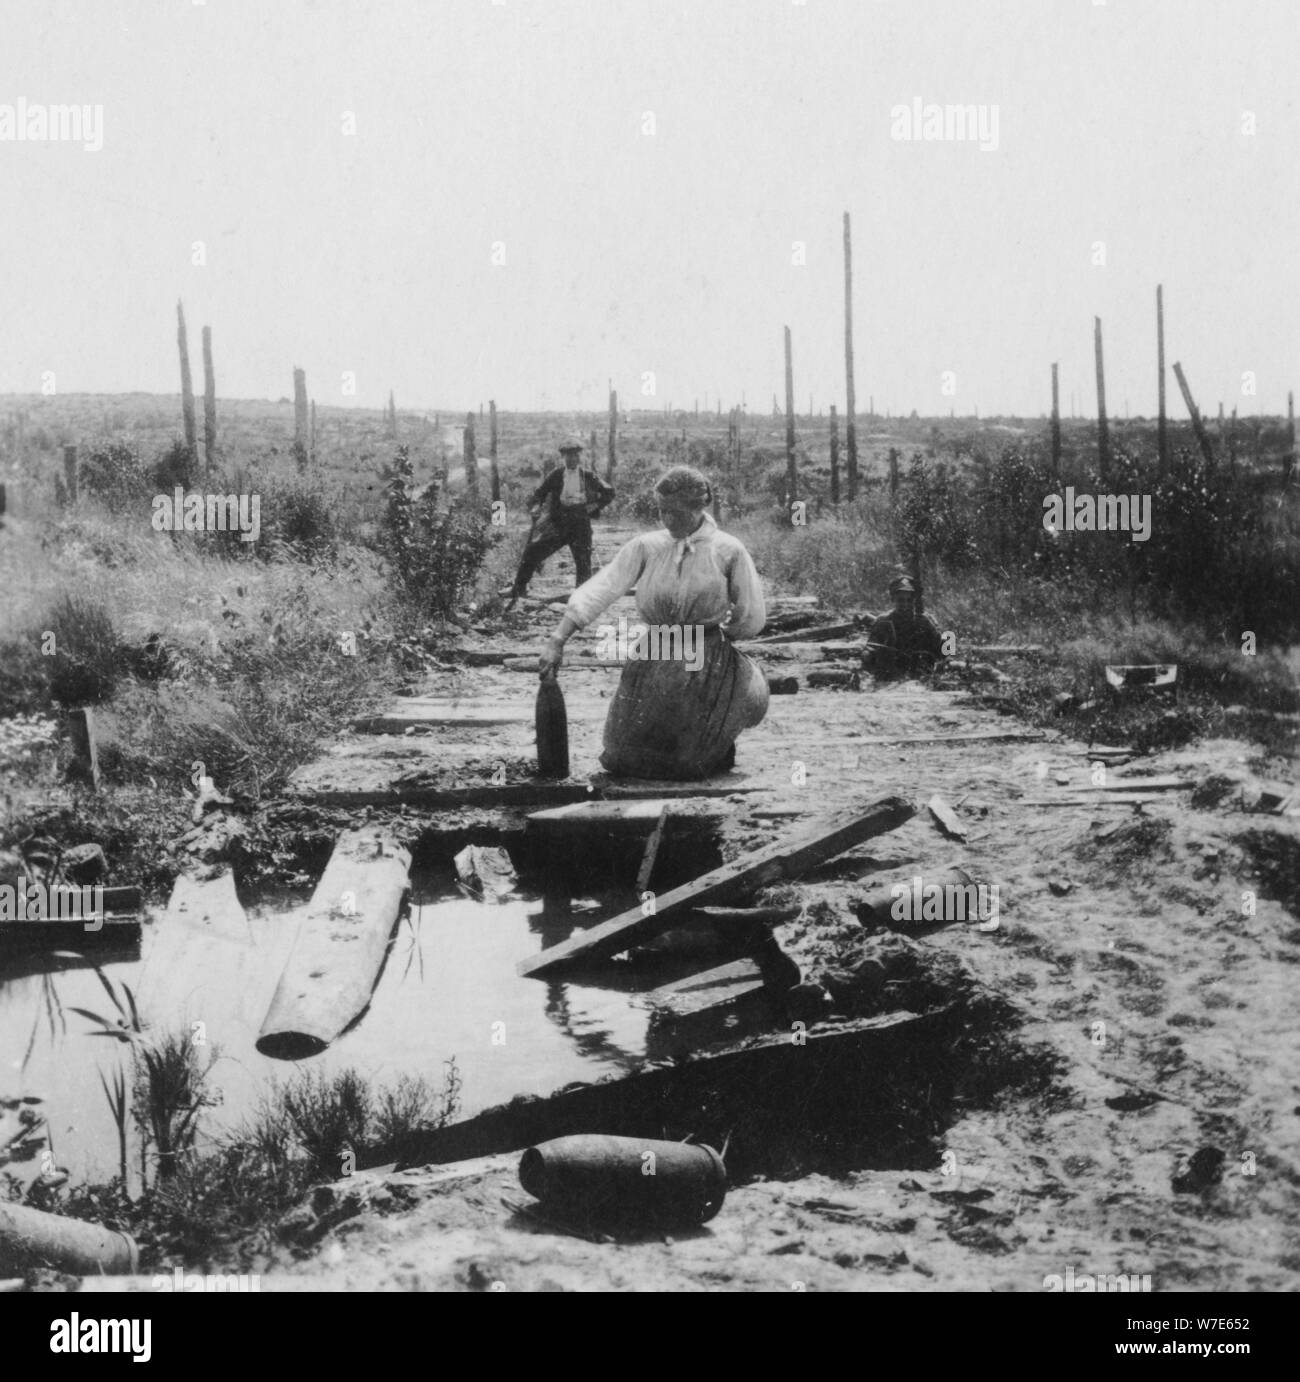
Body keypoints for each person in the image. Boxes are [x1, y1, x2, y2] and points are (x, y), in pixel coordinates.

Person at [537, 465, 768, 780]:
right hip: (653, 653)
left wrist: (724, 640)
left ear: (698, 507)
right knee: (621, 759)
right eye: (662, 511)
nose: (668, 520)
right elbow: (600, 589)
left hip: (704, 657)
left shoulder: (728, 550)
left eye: (676, 512)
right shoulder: (646, 547)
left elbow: (750, 613)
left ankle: (717, 738)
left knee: (686, 765)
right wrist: (557, 640)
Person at [505, 437, 615, 605]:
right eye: (568, 456)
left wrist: (594, 506)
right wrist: (535, 507)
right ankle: (518, 588)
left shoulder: (587, 476)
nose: (572, 459)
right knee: (533, 552)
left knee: (583, 562)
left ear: (579, 457)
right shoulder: (556, 475)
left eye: (575, 456)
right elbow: (539, 494)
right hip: (559, 524)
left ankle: (582, 597)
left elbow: (609, 493)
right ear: (563, 458)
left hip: (580, 524)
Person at [861, 574, 944, 680]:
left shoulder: (925, 620)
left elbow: (941, 645)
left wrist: (948, 659)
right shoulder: (883, 621)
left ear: (914, 600)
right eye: (900, 600)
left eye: (909, 600)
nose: (905, 604)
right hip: (890, 674)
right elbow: (871, 645)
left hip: (920, 672)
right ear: (893, 599)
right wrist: (866, 654)